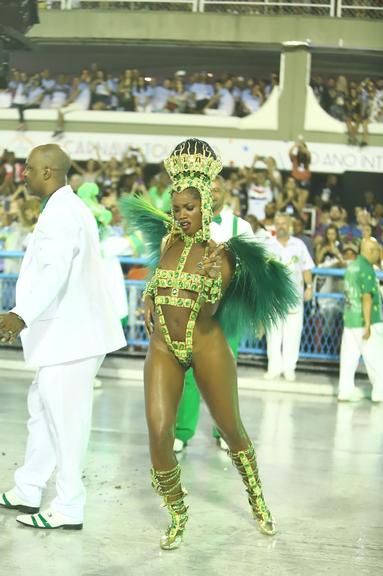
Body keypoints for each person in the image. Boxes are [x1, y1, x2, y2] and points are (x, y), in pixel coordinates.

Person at [121, 138, 297, 550]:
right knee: (158, 431)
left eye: (189, 208)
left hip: (206, 346)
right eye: (176, 207)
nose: (181, 215)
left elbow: (214, 308)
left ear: (206, 206)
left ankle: (257, 499)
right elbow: (157, 278)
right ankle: (178, 513)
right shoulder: (167, 242)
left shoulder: (222, 253)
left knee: (231, 429)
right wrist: (148, 297)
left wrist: (215, 277)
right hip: (163, 347)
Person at [0, 144, 126, 530]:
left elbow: (54, 273)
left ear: (49, 173)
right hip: (68, 333)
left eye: (30, 168)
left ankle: (69, 506)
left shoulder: (62, 213)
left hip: (73, 335)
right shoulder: (65, 207)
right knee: (43, 409)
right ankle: (29, 487)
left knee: (66, 420)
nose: (23, 174)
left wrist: (20, 314)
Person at [173, 175, 254, 454]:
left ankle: (225, 432)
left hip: (227, 311)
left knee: (225, 373)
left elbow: (251, 270)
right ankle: (183, 431)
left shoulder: (240, 227)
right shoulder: (186, 222)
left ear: (225, 192)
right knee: (188, 370)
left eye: (217, 189)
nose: (212, 194)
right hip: (193, 309)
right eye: (207, 190)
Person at [264, 213, 314, 382]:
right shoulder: (267, 245)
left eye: (284, 223)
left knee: (293, 333)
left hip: (294, 297)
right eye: (277, 223)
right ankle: (274, 368)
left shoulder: (299, 245)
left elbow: (306, 267)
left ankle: (289, 368)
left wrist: (310, 286)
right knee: (273, 333)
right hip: (273, 297)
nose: (281, 226)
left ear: (290, 225)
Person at [338, 238, 383, 402]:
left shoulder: (352, 266)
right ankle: (380, 392)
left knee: (349, 358)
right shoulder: (366, 269)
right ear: (372, 251)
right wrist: (368, 323)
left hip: (350, 319)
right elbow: (367, 298)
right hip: (366, 320)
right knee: (375, 357)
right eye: (378, 251)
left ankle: (345, 390)